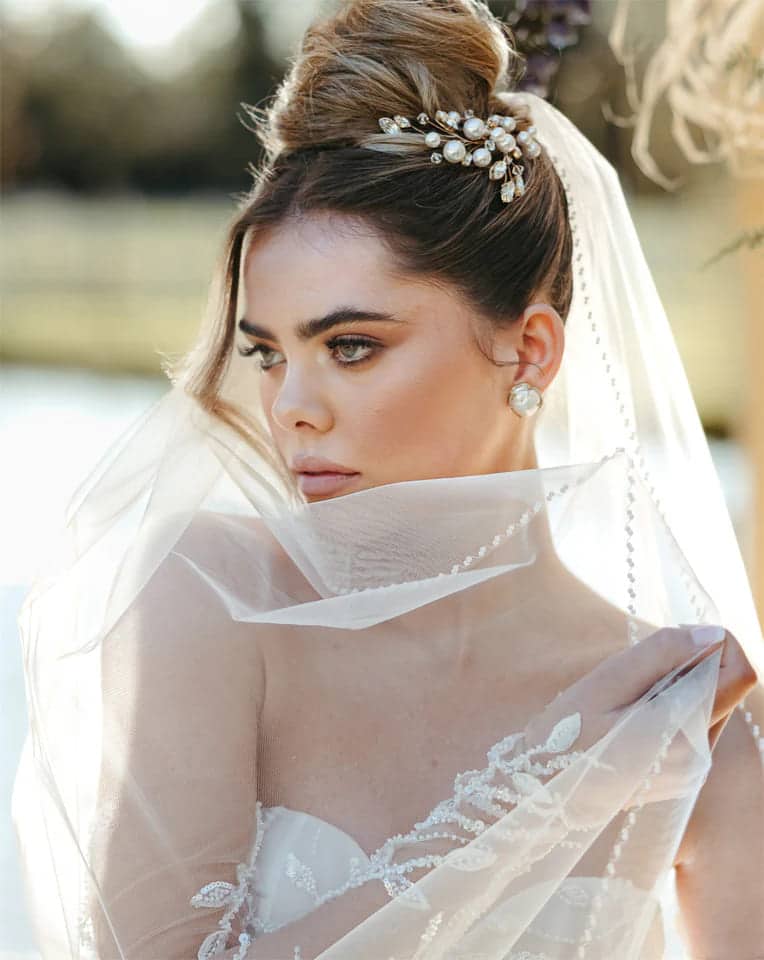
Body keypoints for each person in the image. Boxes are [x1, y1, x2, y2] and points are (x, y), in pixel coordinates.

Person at [12, 1, 764, 958]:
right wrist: (542, 796)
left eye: (352, 345)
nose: (291, 407)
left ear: (529, 352)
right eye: (270, 353)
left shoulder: (683, 714)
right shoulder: (207, 599)